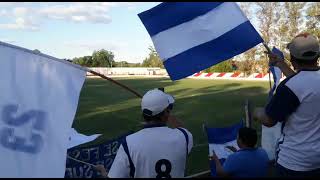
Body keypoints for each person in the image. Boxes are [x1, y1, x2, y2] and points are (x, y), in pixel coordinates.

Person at [253, 33, 320, 177]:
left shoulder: (290, 86)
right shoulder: (302, 82)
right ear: (317, 56)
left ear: (293, 59)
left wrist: (257, 112)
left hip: (294, 162)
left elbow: (270, 120)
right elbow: (305, 83)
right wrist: (280, 63)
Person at [95, 88, 193, 178]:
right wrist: (167, 113)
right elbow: (182, 128)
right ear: (167, 112)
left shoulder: (129, 143)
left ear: (143, 114)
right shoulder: (184, 137)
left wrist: (103, 171)